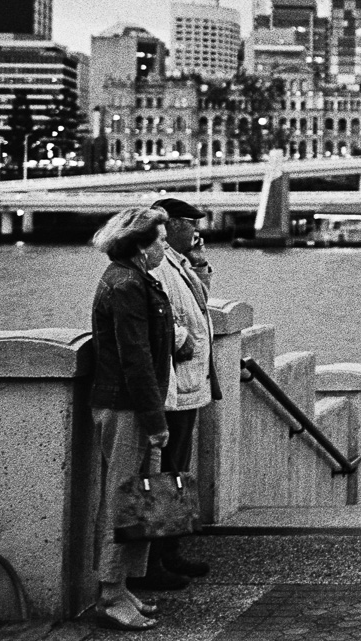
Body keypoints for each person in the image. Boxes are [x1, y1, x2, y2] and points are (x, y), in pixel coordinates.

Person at [128, 197, 221, 591]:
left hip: (189, 382)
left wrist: (199, 260)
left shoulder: (179, 261)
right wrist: (179, 339)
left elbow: (197, 300)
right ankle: (152, 563)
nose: (196, 231)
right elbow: (159, 312)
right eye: (190, 224)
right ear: (172, 225)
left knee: (176, 471)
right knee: (163, 472)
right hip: (173, 384)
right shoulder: (158, 265)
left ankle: (171, 552)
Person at [89, 206, 174, 631]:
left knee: (140, 498)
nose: (164, 245)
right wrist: (156, 420)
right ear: (140, 246)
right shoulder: (125, 285)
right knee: (124, 499)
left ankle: (122, 588)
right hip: (127, 407)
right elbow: (135, 359)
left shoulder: (135, 279)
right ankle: (108, 594)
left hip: (135, 404)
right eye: (158, 240)